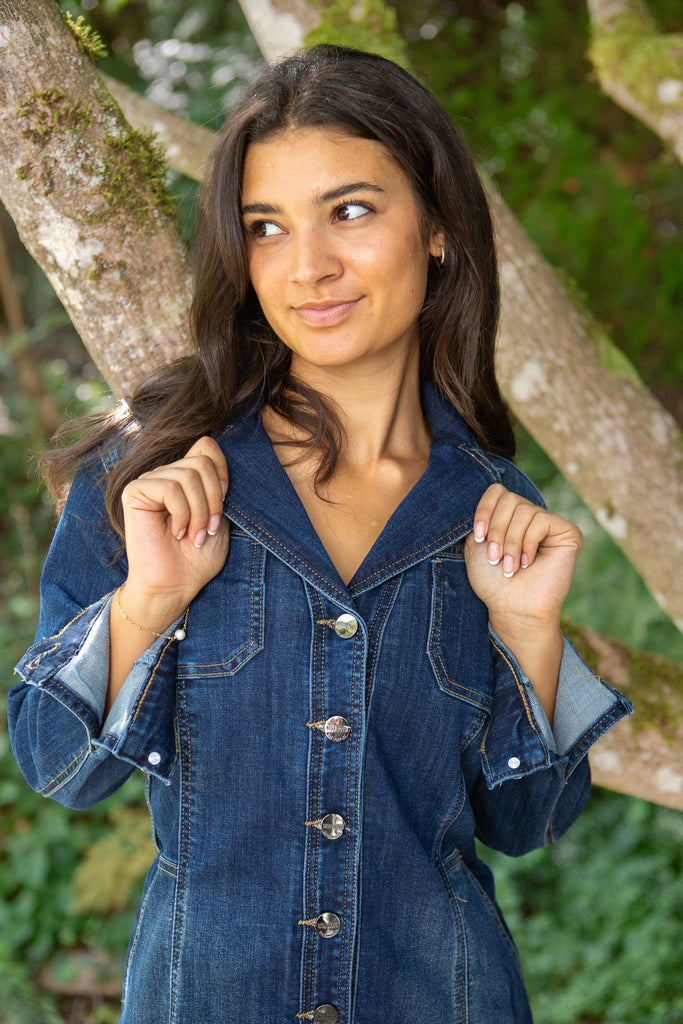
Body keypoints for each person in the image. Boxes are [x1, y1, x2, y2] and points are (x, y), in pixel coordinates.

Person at [8, 44, 631, 1024]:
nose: (308, 267)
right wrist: (150, 599)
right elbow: (55, 760)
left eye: (350, 210)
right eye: (266, 227)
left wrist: (528, 634)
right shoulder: (155, 478)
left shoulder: (489, 507)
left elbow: (526, 819)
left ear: (434, 227)